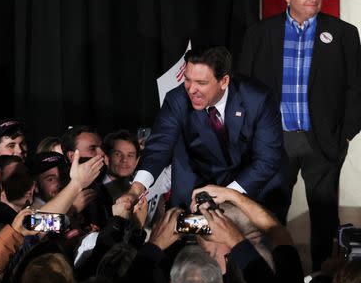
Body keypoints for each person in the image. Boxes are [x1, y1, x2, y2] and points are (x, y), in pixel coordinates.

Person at [239, 0, 361, 270]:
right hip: (275, 139)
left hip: (323, 140)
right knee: (271, 210)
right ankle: (272, 270)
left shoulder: (344, 33)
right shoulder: (260, 33)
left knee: (323, 214)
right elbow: (245, 87)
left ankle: (322, 275)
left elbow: (356, 87)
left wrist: (346, 133)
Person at [120, 45, 285, 210]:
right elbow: (158, 148)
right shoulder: (176, 100)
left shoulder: (258, 99)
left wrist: (228, 195)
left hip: (250, 188)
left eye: (201, 82)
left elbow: (267, 160)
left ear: (224, 81)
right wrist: (136, 189)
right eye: (187, 80)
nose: (191, 90)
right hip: (194, 190)